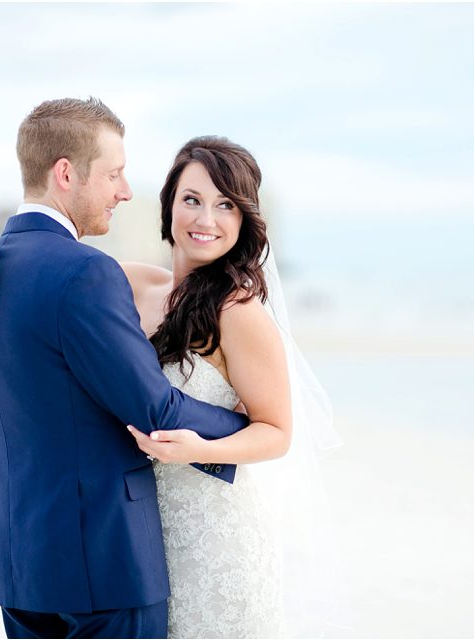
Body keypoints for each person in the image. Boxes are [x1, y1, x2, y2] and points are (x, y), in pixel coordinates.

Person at [0, 98, 251, 639]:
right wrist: (241, 425)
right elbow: (152, 408)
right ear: (66, 173)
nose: (126, 190)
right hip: (103, 558)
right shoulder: (87, 272)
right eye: (114, 173)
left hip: (16, 554)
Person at [122, 136, 295, 638]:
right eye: (192, 199)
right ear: (169, 204)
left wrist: (202, 448)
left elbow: (277, 431)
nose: (205, 219)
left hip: (218, 540)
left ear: (243, 222)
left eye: (225, 205)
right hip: (139, 535)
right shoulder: (130, 284)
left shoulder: (238, 312)